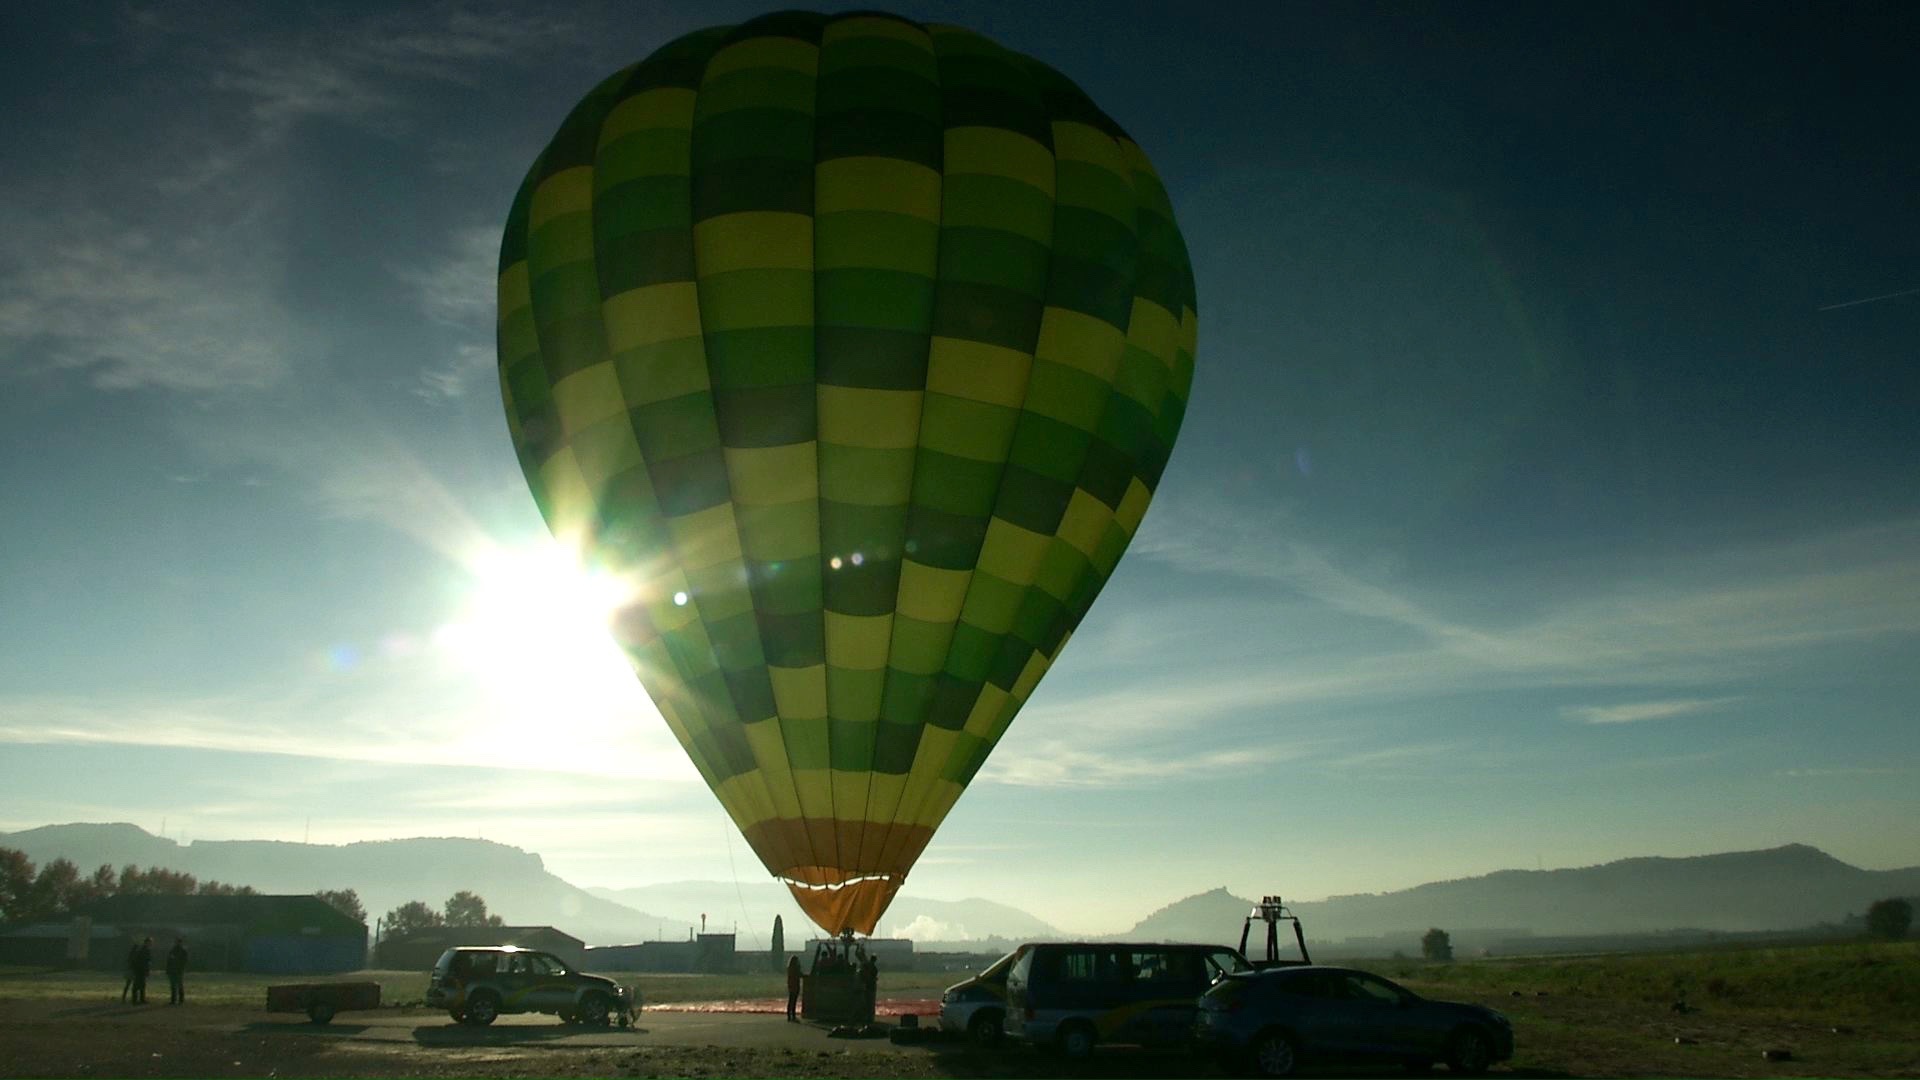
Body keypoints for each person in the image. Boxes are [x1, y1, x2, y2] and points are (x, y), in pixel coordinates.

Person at [130, 937, 153, 1005]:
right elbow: (145, 961)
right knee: (138, 985)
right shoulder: (145, 950)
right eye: (150, 942)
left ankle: (138, 999)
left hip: (139, 970)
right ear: (147, 942)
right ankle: (138, 999)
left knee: (140, 984)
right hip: (140, 970)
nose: (151, 944)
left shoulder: (142, 950)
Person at [165, 938, 188, 1005]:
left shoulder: (181, 951)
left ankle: (179, 1000)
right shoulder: (174, 951)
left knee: (178, 985)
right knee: (174, 985)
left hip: (177, 971)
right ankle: (175, 1000)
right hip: (174, 970)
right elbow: (169, 961)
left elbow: (184, 962)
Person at [785, 954, 802, 1022]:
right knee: (793, 1001)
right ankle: (792, 1015)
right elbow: (799, 974)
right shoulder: (795, 968)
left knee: (791, 1000)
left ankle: (790, 1015)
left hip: (791, 985)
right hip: (795, 985)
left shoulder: (790, 968)